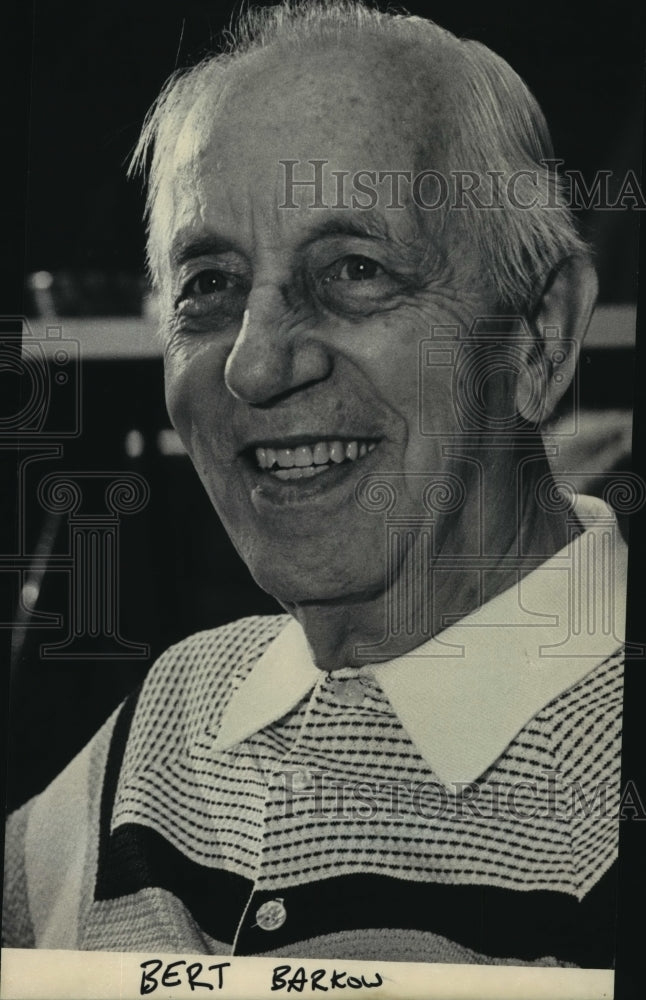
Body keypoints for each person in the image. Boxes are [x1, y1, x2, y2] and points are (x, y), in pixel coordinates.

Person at [3, 0, 627, 967]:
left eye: (355, 270)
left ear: (540, 337)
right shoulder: (172, 714)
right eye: (209, 284)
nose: (255, 367)